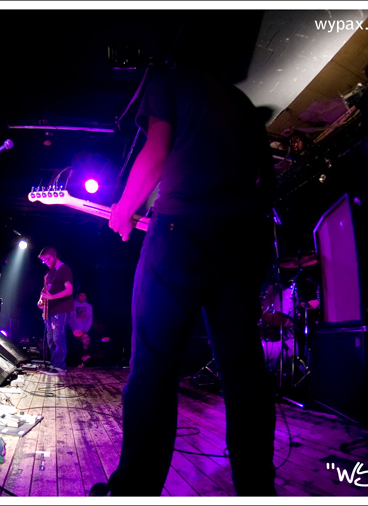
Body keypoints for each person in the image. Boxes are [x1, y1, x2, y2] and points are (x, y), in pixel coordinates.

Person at [94, 13, 276, 496]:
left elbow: (156, 150)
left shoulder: (166, 79)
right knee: (244, 369)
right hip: (243, 238)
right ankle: (259, 490)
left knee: (154, 365)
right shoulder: (241, 102)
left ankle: (134, 491)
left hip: (179, 231)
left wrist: (125, 210)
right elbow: (266, 182)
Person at [37, 246, 74, 376]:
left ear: (54, 255)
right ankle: (54, 364)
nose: (45, 262)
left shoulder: (64, 269)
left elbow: (69, 290)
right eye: (43, 261)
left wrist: (52, 297)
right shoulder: (50, 272)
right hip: (50, 310)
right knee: (50, 339)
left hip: (62, 309)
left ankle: (60, 367)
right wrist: (41, 300)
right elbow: (44, 290)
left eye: (47, 259)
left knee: (58, 338)